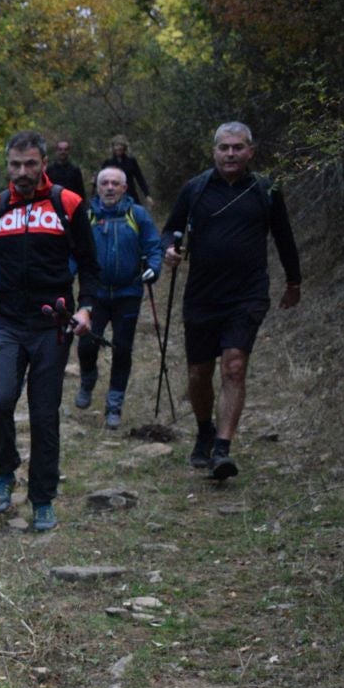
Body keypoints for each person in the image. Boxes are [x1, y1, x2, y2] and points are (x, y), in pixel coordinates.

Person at [0, 130, 99, 531]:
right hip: (7, 323)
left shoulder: (67, 203)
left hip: (51, 326)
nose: (22, 172)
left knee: (44, 414)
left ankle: (43, 498)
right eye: (14, 165)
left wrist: (87, 307)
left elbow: (89, 264)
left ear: (43, 164)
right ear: (7, 165)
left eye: (29, 165)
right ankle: (5, 472)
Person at [161, 121, 302, 480]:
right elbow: (170, 229)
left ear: (251, 152)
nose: (230, 154)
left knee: (234, 365)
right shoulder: (195, 189)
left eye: (238, 147)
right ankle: (205, 429)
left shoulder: (266, 190)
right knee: (199, 373)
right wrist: (169, 250)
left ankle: (222, 448)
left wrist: (293, 281)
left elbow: (284, 237)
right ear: (214, 151)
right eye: (224, 147)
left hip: (247, 293)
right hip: (202, 295)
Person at [75, 164, 163, 430]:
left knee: (123, 348)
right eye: (105, 183)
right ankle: (88, 378)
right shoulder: (86, 215)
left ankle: (114, 404)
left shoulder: (137, 215)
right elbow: (73, 250)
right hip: (96, 293)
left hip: (128, 292)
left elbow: (153, 246)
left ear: (125, 188)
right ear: (97, 187)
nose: (110, 188)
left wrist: (153, 268)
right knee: (87, 343)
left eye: (116, 183)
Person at [100, 134, 151, 205]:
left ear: (124, 148)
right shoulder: (108, 163)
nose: (118, 148)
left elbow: (140, 178)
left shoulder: (131, 161)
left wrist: (147, 195)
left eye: (121, 146)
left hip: (131, 195)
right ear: (113, 148)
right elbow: (101, 181)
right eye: (116, 145)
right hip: (115, 197)